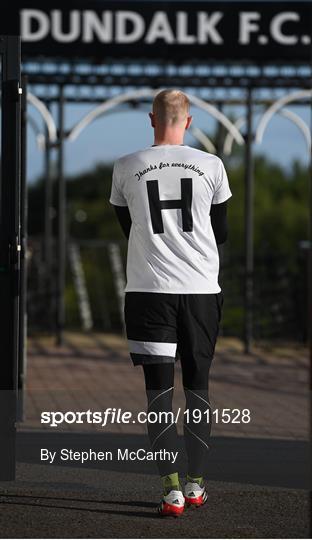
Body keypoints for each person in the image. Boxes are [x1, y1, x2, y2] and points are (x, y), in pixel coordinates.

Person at [109, 89, 231, 517]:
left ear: (151, 118)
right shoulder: (212, 165)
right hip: (201, 293)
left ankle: (170, 491)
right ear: (190, 122)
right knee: (199, 389)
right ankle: (197, 485)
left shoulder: (126, 166)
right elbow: (221, 233)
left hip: (148, 294)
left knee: (158, 395)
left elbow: (130, 226)